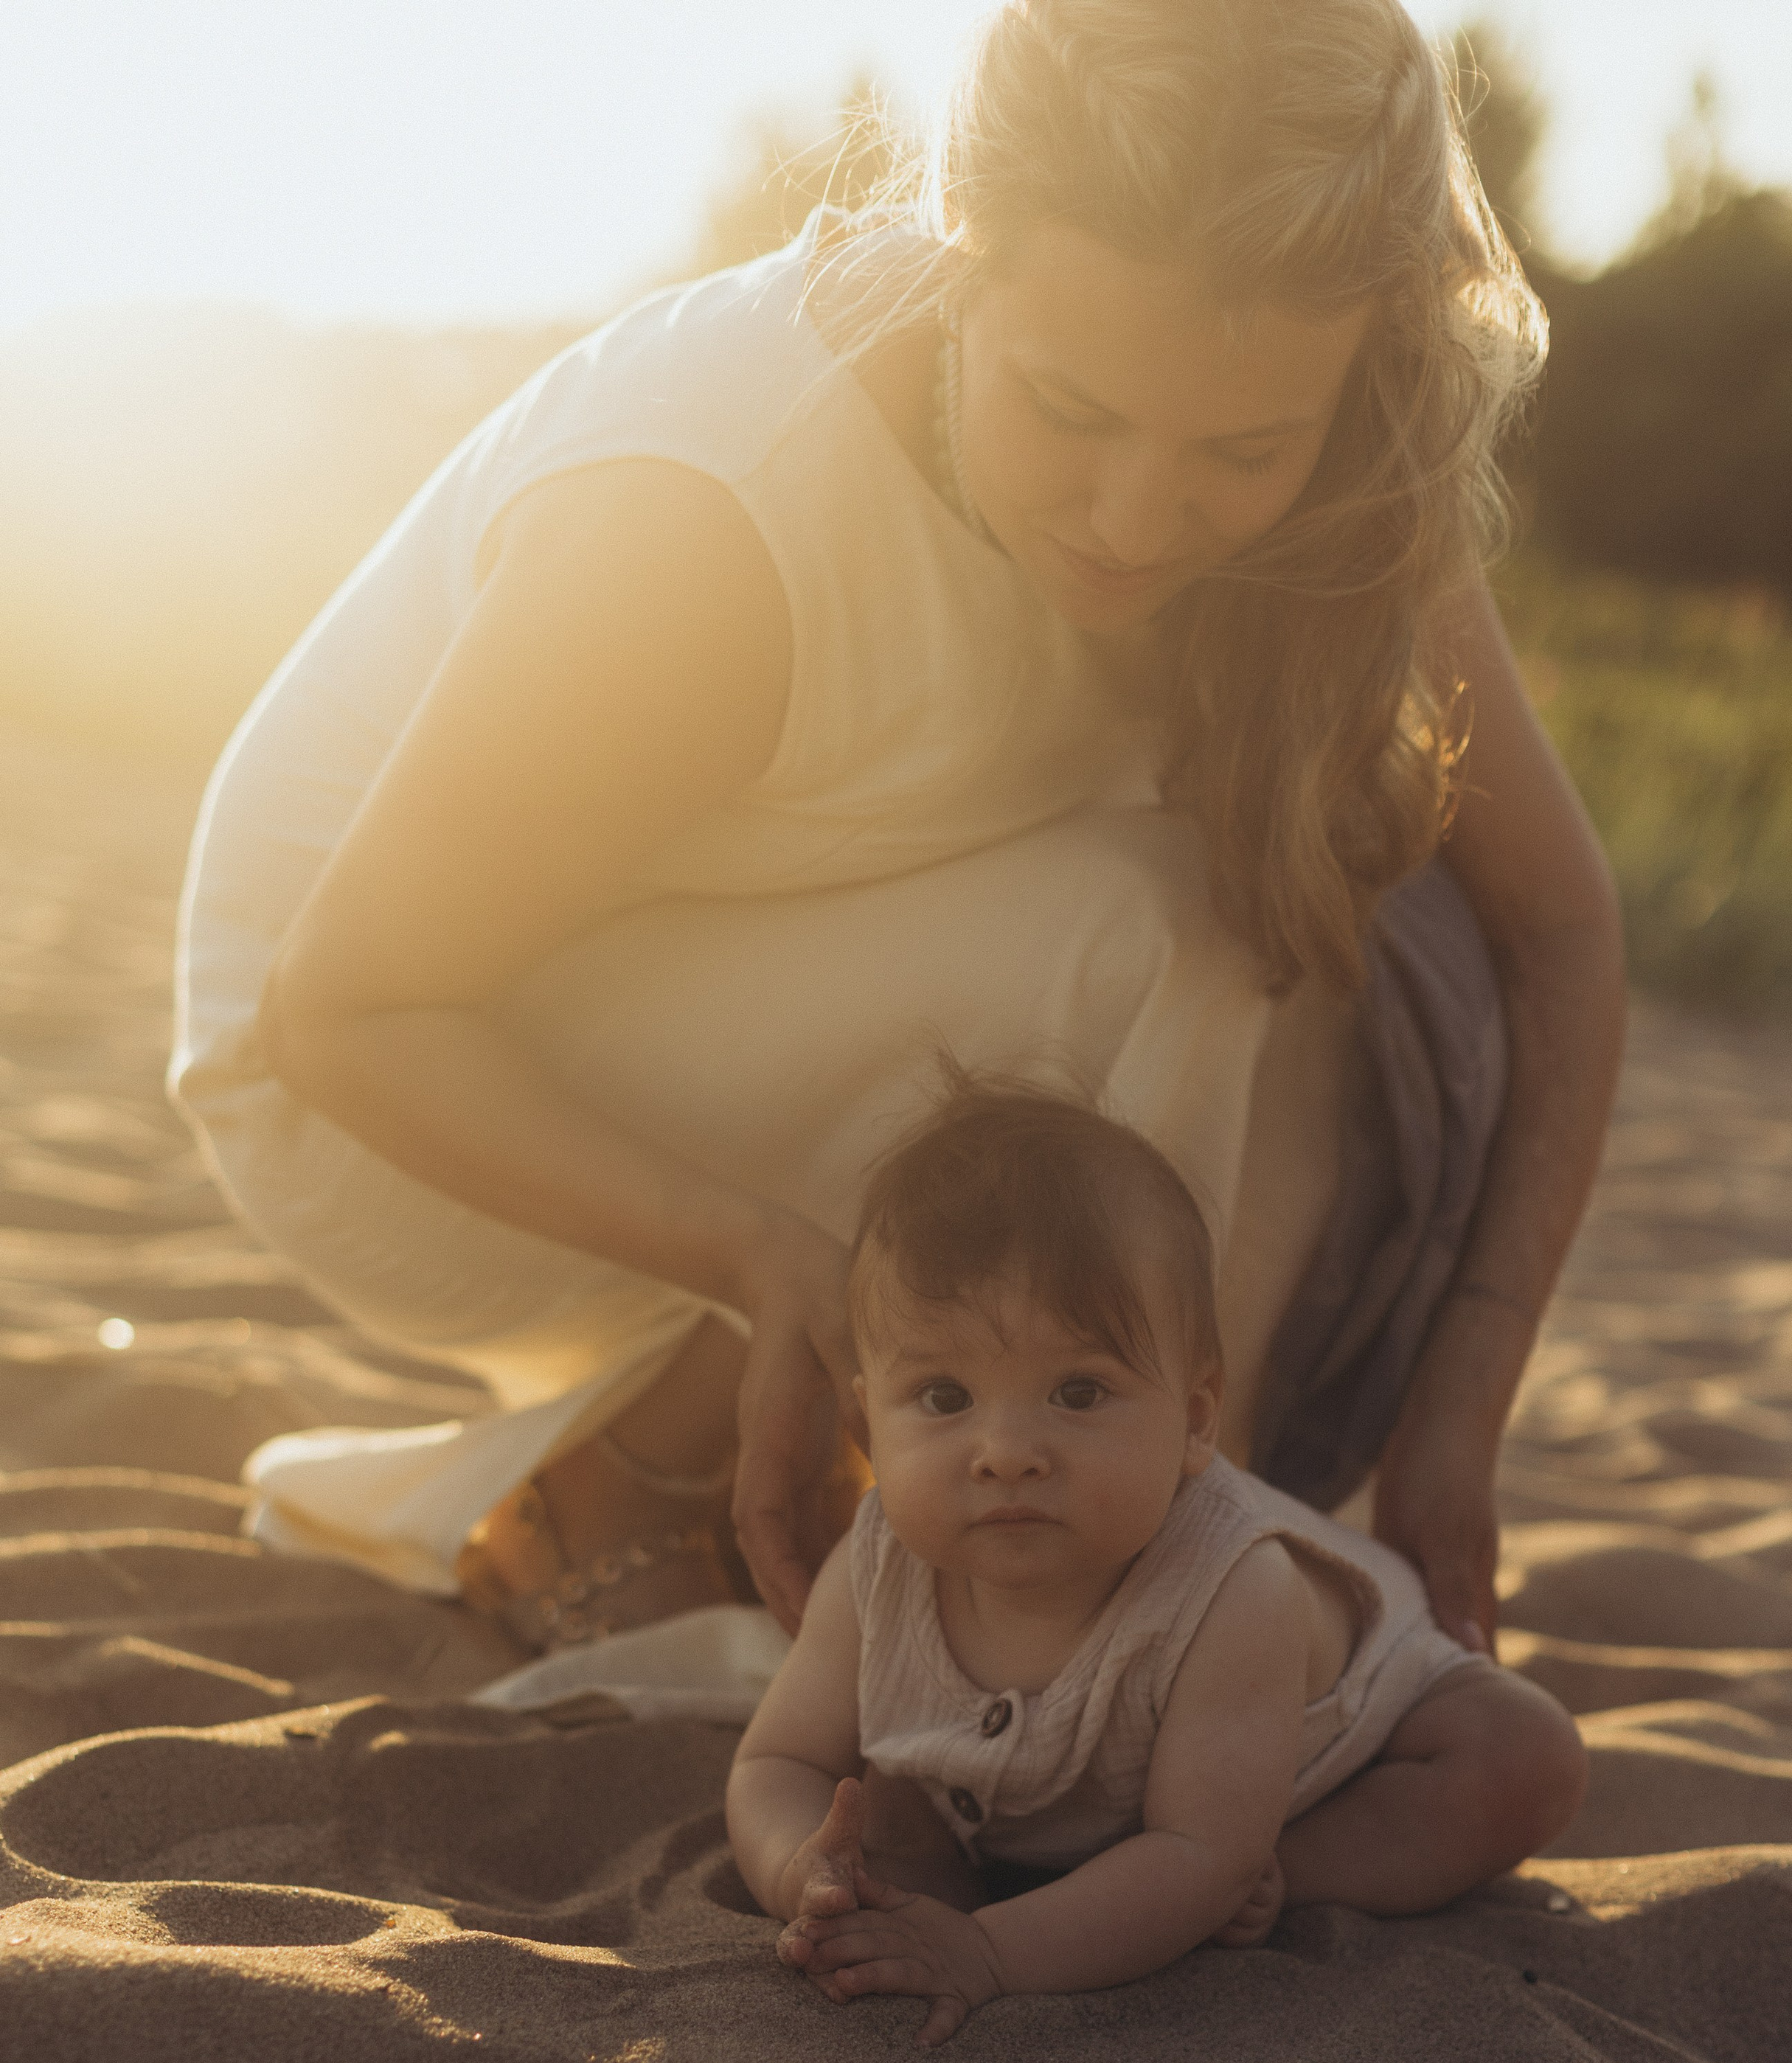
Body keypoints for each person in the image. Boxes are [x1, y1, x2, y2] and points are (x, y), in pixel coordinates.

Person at [170, 0, 1622, 1665]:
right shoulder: (710, 524)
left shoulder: (1349, 446)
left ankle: (1124, 1584)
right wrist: (752, 1253)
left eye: (1237, 450)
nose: (1138, 515)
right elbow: (335, 1013)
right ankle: (664, 1499)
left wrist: (1461, 1408)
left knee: (1312, 915)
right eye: (1069, 409)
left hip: (726, 976)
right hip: (384, 1090)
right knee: (1149, 930)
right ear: (960, 263)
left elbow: (1554, 933)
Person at [731, 1081, 1586, 2047]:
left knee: (1522, 1757)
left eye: (1079, 1391)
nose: (1007, 1449)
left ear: (1195, 1418)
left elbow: (1192, 1847)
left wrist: (994, 1954)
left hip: (1319, 1762)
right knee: (873, 1822)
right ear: (864, 1424)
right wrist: (798, 1869)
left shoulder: (1231, 1588)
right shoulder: (877, 1565)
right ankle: (1072, 1890)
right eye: (942, 1396)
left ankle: (1291, 1869)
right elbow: (778, 1762)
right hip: (1070, 1801)